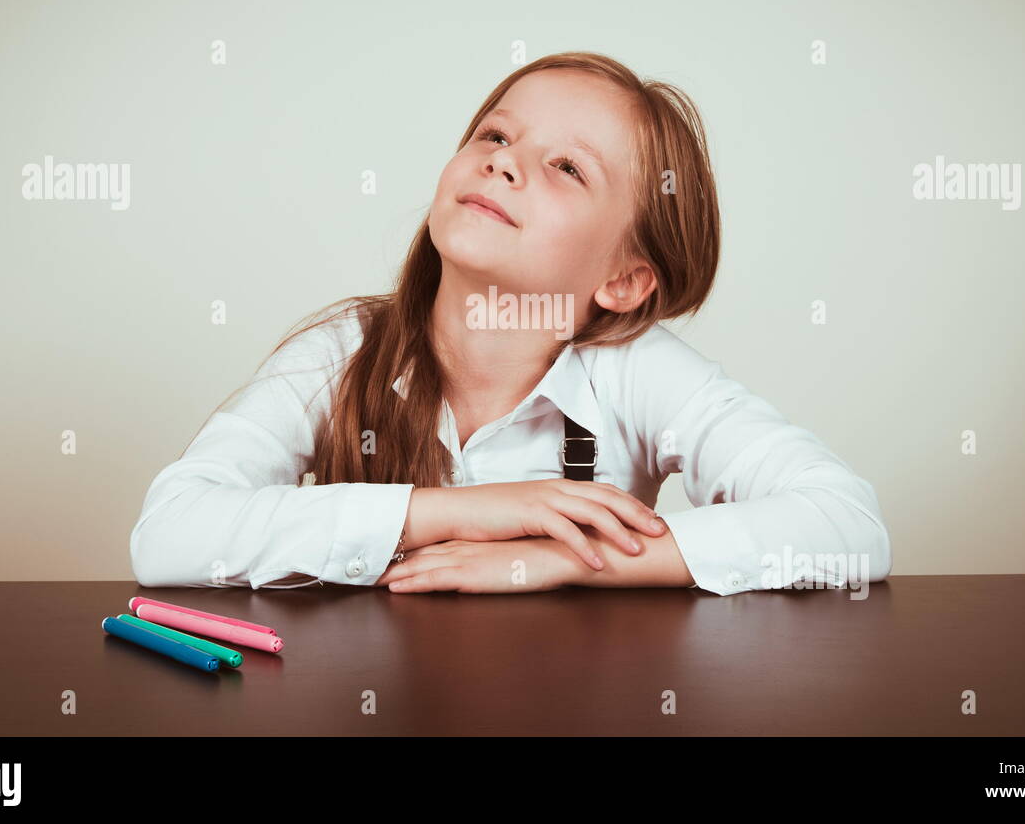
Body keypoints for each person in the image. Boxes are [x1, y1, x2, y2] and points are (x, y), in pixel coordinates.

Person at [130, 51, 891, 596]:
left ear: (623, 280)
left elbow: (847, 524)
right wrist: (464, 514)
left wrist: (570, 557)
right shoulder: (340, 354)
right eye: (495, 135)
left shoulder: (635, 372)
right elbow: (170, 532)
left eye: (567, 167)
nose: (503, 162)